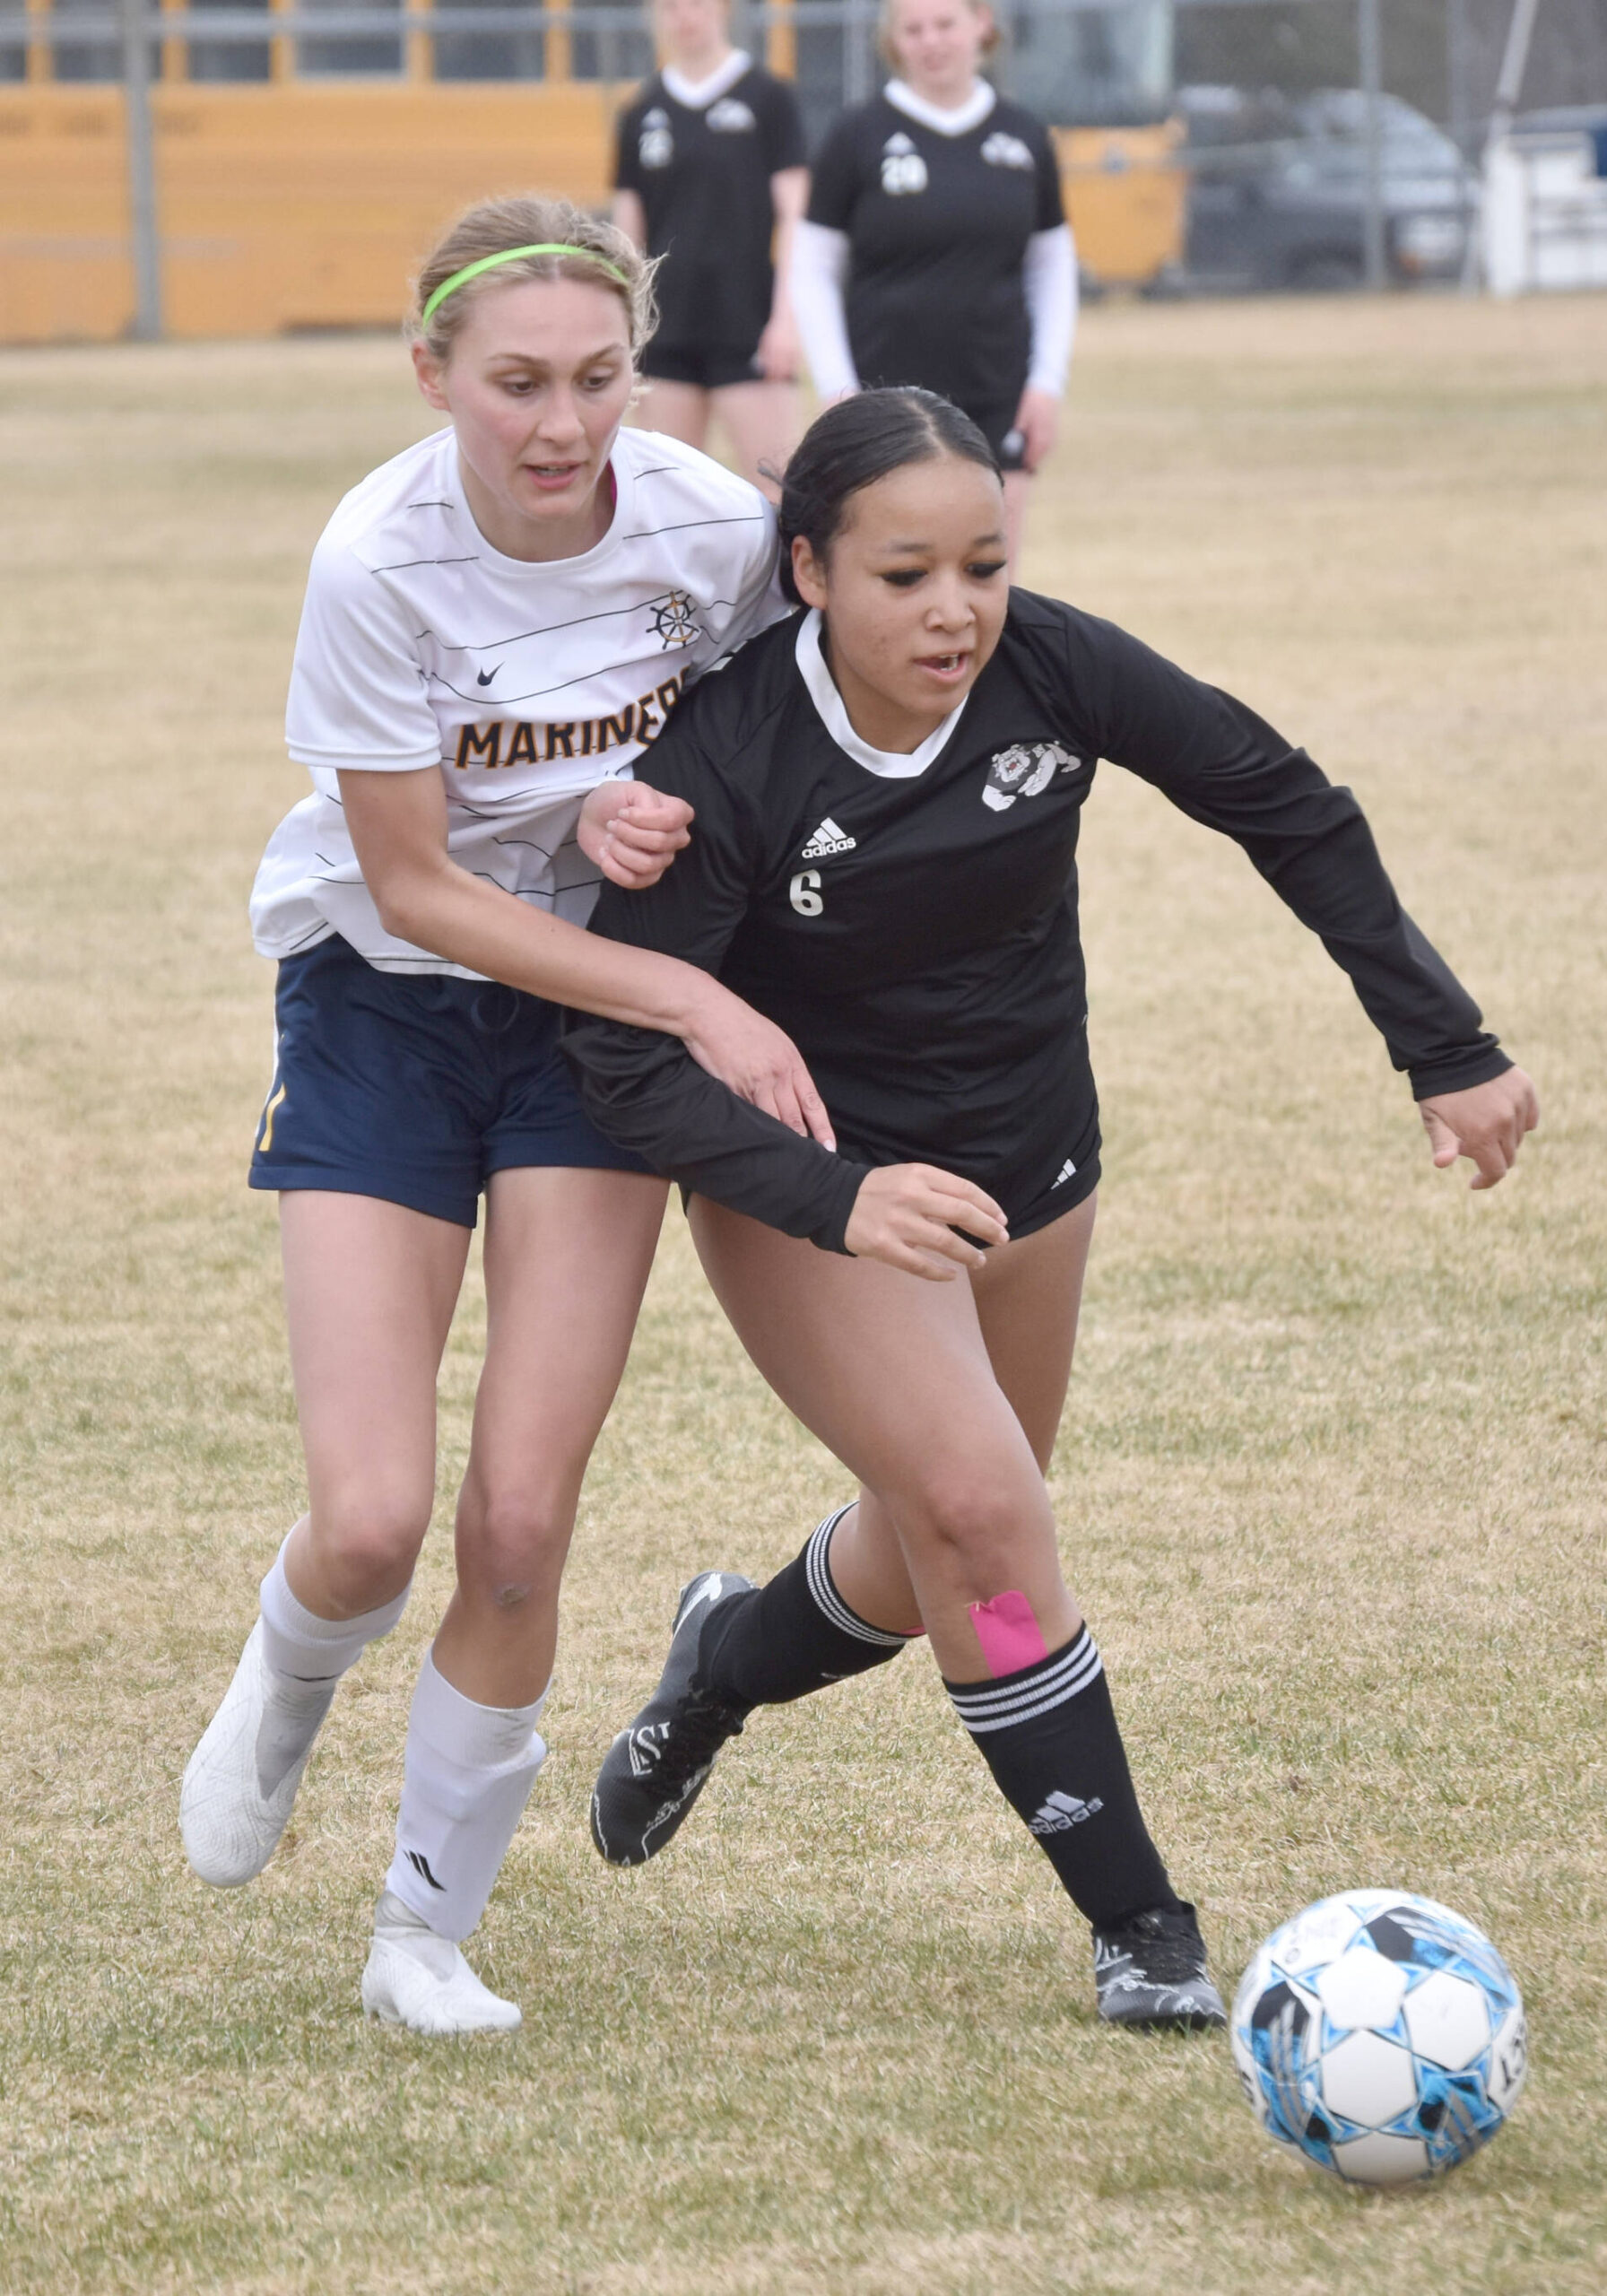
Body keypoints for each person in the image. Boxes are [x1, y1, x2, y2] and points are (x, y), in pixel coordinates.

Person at [565, 388, 1540, 2031]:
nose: (955, 610)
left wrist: (1445, 1046)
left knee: (936, 1550)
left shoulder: (1055, 666)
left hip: (1032, 1166)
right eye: (903, 576)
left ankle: (717, 1666)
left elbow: (1281, 799)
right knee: (982, 1517)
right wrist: (835, 1193)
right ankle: (1144, 1928)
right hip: (817, 1187)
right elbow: (621, 1059)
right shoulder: (727, 754)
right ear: (807, 571)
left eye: (984, 565)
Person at [178, 194, 827, 2039]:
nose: (563, 424)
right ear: (433, 376)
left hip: (590, 1033)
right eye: (518, 383)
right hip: (389, 1000)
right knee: (371, 1520)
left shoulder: (710, 527)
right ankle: (287, 1677)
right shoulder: (374, 557)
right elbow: (416, 881)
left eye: (600, 379)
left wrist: (659, 828)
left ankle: (422, 1934)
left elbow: (779, 728)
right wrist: (689, 989)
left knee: (522, 1519)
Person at [789, 0, 1078, 570]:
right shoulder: (856, 136)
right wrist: (839, 391)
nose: (931, 41)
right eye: (914, 29)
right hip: (884, 397)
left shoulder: (1023, 135)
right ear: (893, 40)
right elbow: (812, 269)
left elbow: (1052, 267)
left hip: (996, 391)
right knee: (894, 570)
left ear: (981, 25)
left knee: (989, 575)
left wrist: (1046, 384)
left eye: (946, 24)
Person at [612, 0, 808, 493]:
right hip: (666, 331)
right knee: (667, 497)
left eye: (696, 3)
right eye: (671, 6)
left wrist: (786, 321)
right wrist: (624, 326)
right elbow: (626, 238)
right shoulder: (641, 111)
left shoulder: (768, 98)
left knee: (780, 494)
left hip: (750, 327)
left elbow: (796, 218)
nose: (685, 15)